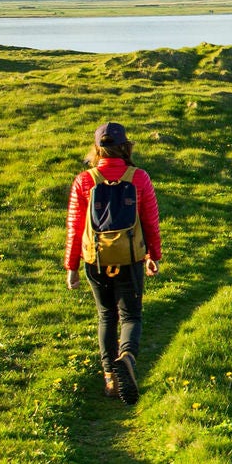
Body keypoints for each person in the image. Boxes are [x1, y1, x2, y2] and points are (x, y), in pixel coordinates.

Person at [64, 122, 162, 405]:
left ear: (97, 148)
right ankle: (127, 358)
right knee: (131, 316)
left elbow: (74, 227)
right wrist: (153, 256)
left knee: (106, 316)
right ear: (125, 146)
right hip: (129, 257)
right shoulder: (139, 178)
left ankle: (110, 378)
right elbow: (150, 221)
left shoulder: (84, 180)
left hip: (96, 259)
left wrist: (72, 267)